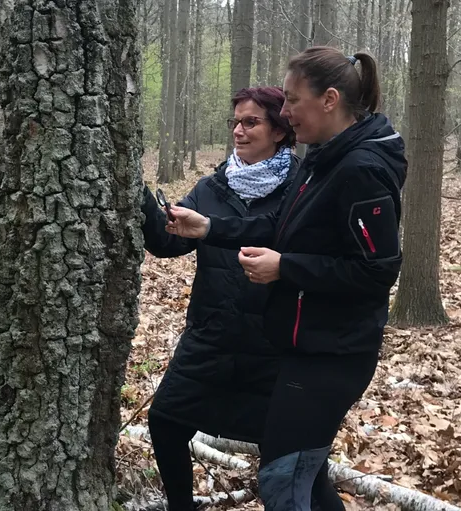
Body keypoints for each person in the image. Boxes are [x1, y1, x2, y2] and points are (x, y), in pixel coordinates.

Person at [165, 46, 407, 510]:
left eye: (293, 100)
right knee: (296, 470)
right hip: (302, 343)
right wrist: (212, 227)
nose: (287, 110)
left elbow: (377, 271)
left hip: (333, 352)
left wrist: (286, 267)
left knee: (285, 474)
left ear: (330, 99)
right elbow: (285, 228)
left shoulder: (361, 170)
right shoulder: (323, 159)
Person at [144, 87, 298, 511]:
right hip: (211, 336)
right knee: (165, 421)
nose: (239, 130)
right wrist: (143, 204)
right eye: (235, 122)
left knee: (283, 450)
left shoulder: (301, 187)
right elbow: (169, 244)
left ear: (281, 131)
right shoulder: (212, 186)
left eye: (251, 122)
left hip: (273, 346)